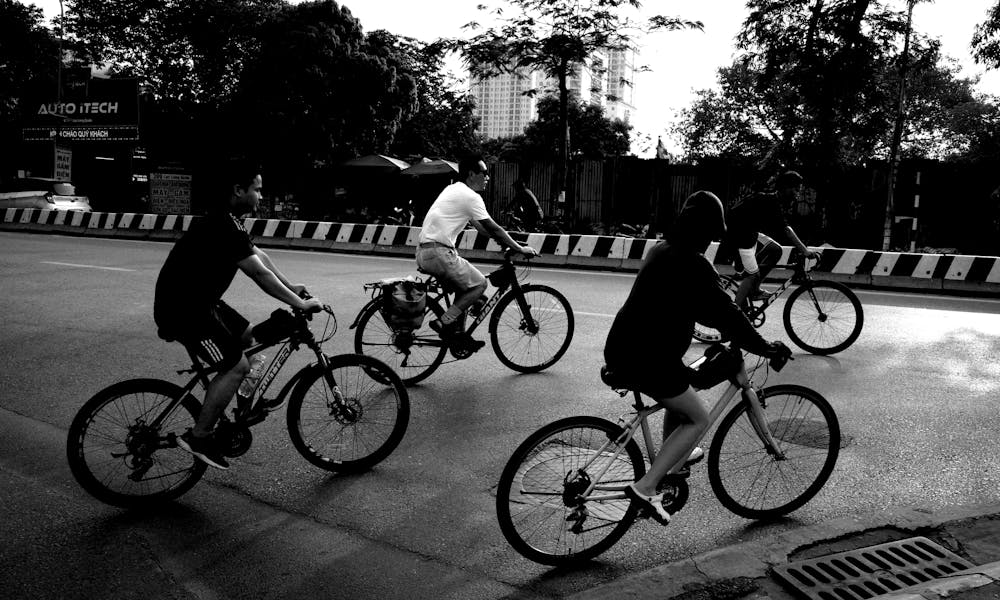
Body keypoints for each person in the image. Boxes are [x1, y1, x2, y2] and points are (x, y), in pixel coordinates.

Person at [603, 190, 786, 525]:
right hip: (649, 357)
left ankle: (672, 458)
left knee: (682, 389)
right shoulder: (692, 261)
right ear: (705, 232)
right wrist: (764, 346)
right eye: (712, 236)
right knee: (698, 419)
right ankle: (646, 488)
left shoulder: (662, 249)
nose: (711, 243)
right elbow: (726, 314)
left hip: (624, 347)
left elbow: (705, 307)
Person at [154, 160, 323, 470]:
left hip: (201, 303)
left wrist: (292, 286)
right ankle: (200, 435)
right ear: (238, 190)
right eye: (257, 190)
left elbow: (261, 257)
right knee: (236, 365)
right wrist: (300, 305)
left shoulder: (230, 222)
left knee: (247, 337)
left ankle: (239, 392)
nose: (260, 196)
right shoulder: (222, 225)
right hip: (184, 311)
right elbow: (258, 274)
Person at [416, 156, 537, 350]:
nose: (488, 177)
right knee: (479, 284)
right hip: (439, 253)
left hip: (424, 252)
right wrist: (519, 248)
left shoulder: (453, 189)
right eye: (484, 172)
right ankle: (443, 322)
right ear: (471, 174)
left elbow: (482, 228)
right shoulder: (471, 196)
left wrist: (507, 242)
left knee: (467, 289)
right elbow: (493, 227)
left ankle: (459, 334)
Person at [725, 170, 820, 307]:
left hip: (748, 233)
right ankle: (734, 314)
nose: (797, 193)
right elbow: (786, 230)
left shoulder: (774, 201)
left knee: (776, 250)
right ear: (785, 187)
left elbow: (782, 228)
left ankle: (754, 289)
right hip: (738, 235)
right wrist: (805, 251)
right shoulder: (770, 201)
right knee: (752, 274)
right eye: (795, 189)